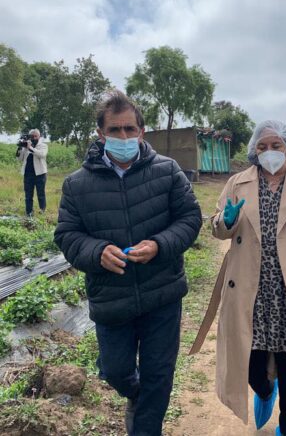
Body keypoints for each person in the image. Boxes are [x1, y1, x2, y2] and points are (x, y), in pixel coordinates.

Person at [54, 91, 202, 436]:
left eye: (130, 129)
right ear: (101, 134)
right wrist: (97, 251)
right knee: (116, 371)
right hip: (111, 298)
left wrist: (160, 244)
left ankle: (146, 423)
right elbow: (67, 234)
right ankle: (137, 395)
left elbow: (190, 218)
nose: (123, 137)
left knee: (159, 374)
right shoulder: (77, 185)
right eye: (115, 130)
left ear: (142, 130)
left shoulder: (167, 171)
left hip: (162, 293)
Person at [190, 120, 286, 436]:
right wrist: (223, 222)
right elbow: (218, 225)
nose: (269, 152)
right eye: (262, 146)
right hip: (250, 288)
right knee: (251, 364)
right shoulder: (237, 183)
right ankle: (265, 390)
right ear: (254, 150)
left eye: (276, 146)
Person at [16, 129, 48, 216]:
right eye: (32, 136)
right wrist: (20, 147)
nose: (33, 138)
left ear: (39, 136)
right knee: (28, 195)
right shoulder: (26, 146)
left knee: (41, 194)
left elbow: (41, 154)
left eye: (35, 136)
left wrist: (30, 148)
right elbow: (19, 158)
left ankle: (42, 211)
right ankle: (29, 213)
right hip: (28, 174)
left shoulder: (43, 145)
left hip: (40, 174)